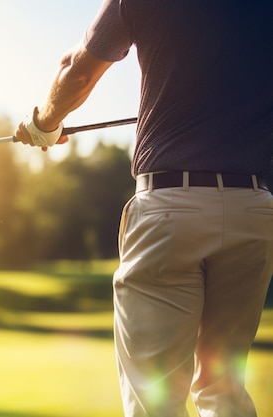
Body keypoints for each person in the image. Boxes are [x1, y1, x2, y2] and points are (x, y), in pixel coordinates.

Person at [15, 1, 273, 416]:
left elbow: (78, 70)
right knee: (223, 389)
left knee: (155, 399)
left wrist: (44, 124)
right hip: (255, 208)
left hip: (170, 208)